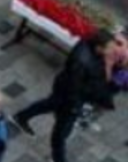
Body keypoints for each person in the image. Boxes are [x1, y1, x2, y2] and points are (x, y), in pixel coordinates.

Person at [14, 29, 118, 162]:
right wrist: (74, 107)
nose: (112, 50)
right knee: (61, 133)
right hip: (70, 98)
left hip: (67, 92)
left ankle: (21, 117)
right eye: (110, 48)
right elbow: (74, 86)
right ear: (99, 47)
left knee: (49, 104)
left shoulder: (91, 51)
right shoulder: (82, 61)